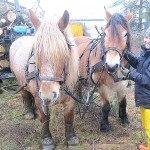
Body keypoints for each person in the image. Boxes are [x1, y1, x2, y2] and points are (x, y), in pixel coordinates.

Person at [121, 26, 150, 150]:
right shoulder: (146, 53)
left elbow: (147, 79)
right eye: (147, 37)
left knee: (149, 127)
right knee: (146, 125)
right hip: (145, 98)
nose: (147, 40)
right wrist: (126, 54)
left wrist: (129, 74)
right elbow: (139, 62)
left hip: (149, 99)